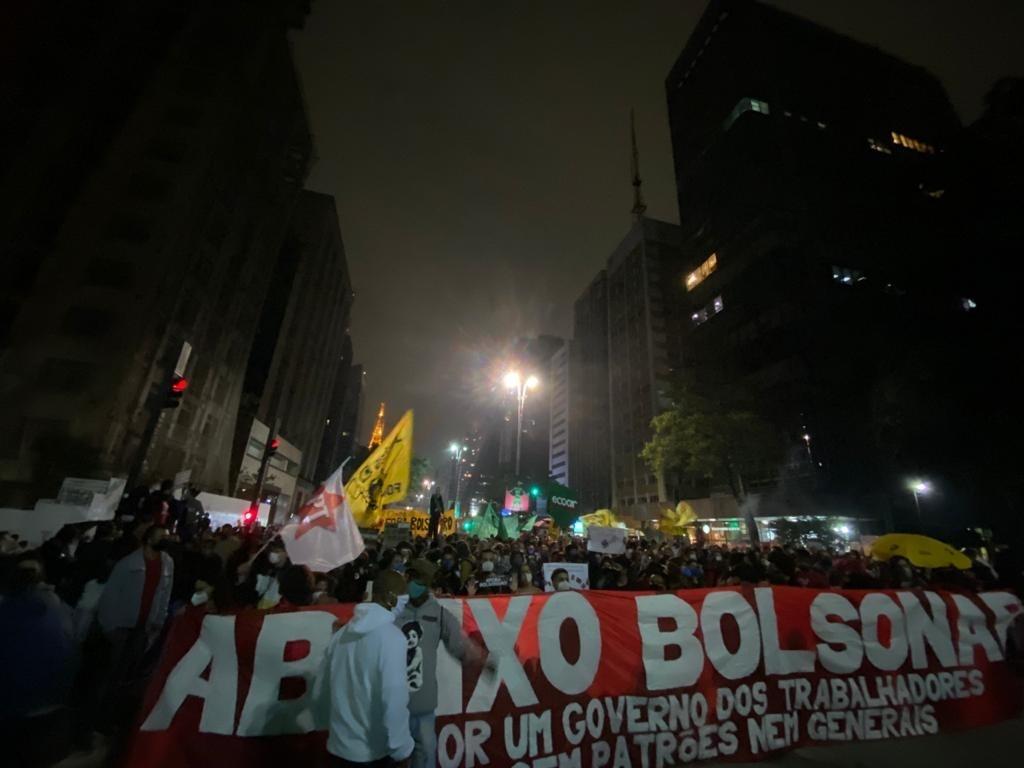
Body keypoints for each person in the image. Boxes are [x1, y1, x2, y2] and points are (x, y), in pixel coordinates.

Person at [315, 570, 414, 768]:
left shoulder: (342, 635)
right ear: (391, 598)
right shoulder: (391, 639)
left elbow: (320, 689)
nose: (405, 604)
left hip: (337, 749)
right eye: (403, 598)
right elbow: (394, 698)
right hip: (373, 754)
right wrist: (401, 749)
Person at [396, 560, 485, 768]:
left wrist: (482, 660)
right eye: (413, 577)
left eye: (421, 580)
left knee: (425, 756)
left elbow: (459, 645)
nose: (415, 583)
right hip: (390, 703)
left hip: (422, 704)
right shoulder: (393, 610)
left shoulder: (439, 614)